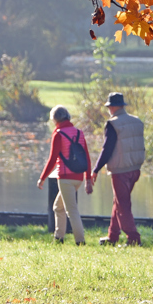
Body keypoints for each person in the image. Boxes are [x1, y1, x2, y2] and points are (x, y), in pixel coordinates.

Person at [92, 91, 145, 246]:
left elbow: (107, 149)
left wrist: (95, 170)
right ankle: (113, 237)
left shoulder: (113, 124)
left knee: (123, 205)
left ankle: (133, 239)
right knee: (119, 202)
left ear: (113, 107)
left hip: (120, 170)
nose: (109, 110)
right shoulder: (137, 121)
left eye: (109, 107)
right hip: (135, 168)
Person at [37, 105, 93, 245]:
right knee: (58, 207)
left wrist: (42, 178)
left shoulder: (59, 134)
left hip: (65, 177)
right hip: (78, 178)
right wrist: (88, 179)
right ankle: (58, 237)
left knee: (71, 210)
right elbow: (86, 157)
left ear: (55, 120)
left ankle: (80, 241)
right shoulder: (79, 133)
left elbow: (52, 159)